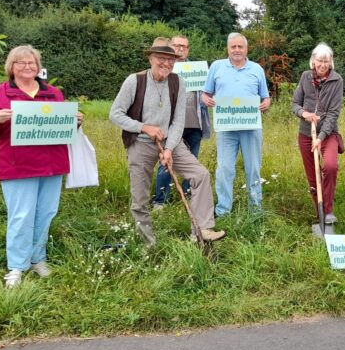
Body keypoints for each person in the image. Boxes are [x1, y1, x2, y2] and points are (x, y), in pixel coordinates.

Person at [0, 45, 83, 288]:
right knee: (21, 216)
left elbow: (61, 127)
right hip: (17, 166)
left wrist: (74, 122)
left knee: (46, 213)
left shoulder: (54, 93)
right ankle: (16, 266)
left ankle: (38, 259)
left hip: (52, 165)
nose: (27, 67)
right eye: (21, 63)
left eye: (32, 63)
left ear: (39, 67)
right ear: (11, 67)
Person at [109, 37, 225, 246]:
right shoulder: (135, 81)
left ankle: (202, 230)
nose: (167, 64)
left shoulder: (178, 81)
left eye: (171, 60)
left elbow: (179, 120)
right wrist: (143, 127)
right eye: (162, 59)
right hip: (140, 143)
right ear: (152, 59)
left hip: (170, 141)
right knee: (140, 197)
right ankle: (147, 244)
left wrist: (170, 148)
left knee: (200, 175)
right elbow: (115, 114)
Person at [201, 33, 271, 215]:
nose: (237, 50)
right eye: (233, 47)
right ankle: (223, 210)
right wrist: (206, 99)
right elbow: (205, 93)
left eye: (240, 47)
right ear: (228, 48)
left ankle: (255, 209)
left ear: (246, 49)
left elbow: (266, 97)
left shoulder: (256, 69)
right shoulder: (216, 67)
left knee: (253, 168)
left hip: (251, 128)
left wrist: (266, 103)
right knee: (224, 169)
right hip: (226, 129)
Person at [152, 35, 212, 209]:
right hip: (170, 126)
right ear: (171, 47)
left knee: (191, 163)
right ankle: (160, 201)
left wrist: (208, 98)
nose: (180, 49)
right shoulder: (165, 68)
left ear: (188, 49)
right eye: (177, 45)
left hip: (195, 124)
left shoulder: (199, 70)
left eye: (184, 46)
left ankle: (187, 196)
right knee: (166, 161)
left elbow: (207, 92)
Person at [292, 42, 344, 223]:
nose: (322, 65)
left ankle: (328, 210)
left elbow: (333, 113)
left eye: (326, 61)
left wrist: (321, 137)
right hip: (306, 134)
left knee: (330, 166)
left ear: (331, 63)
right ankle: (320, 212)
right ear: (313, 61)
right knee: (312, 175)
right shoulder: (305, 77)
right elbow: (295, 104)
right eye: (319, 60)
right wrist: (304, 113)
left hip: (328, 134)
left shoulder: (337, 80)